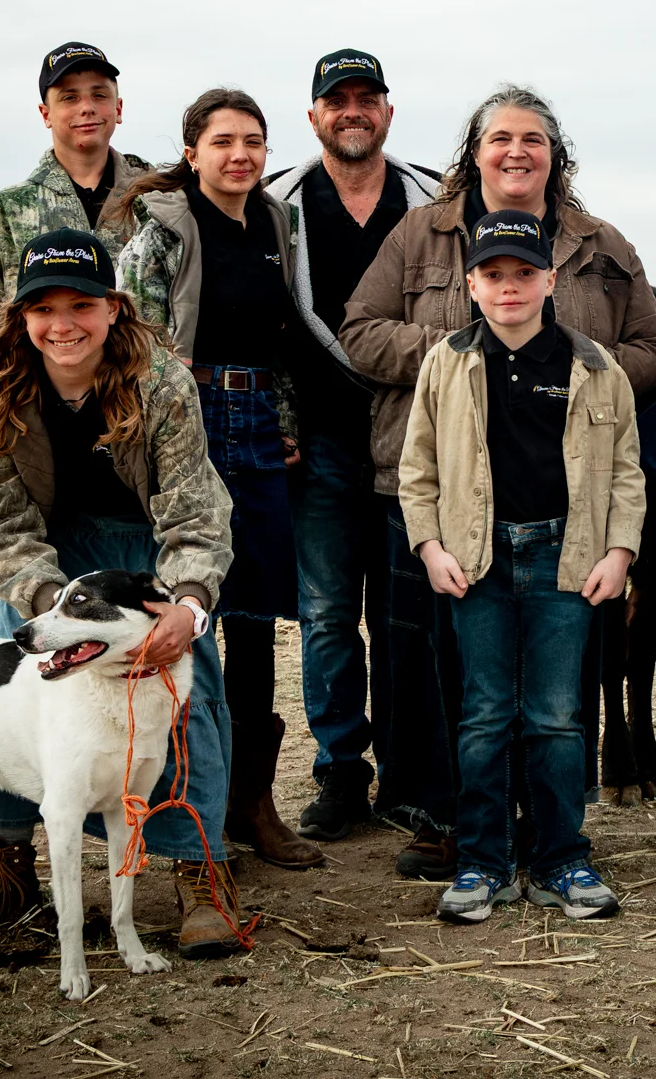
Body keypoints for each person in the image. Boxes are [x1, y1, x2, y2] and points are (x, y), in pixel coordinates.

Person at [342, 85, 656, 877]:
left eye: (534, 137)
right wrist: (469, 357)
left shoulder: (601, 242)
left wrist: (575, 373)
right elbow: (359, 329)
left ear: (555, 154)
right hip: (443, 493)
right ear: (475, 150)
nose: (517, 151)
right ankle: (446, 822)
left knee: (558, 692)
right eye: (500, 137)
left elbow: (654, 346)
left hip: (567, 506)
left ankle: (554, 835)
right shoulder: (424, 231)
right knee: (442, 672)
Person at [0, 228, 245, 956]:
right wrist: (47, 604)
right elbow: (0, 522)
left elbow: (196, 509)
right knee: (16, 677)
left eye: (82, 304)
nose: (63, 322)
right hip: (48, 563)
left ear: (113, 308)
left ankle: (198, 868)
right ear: (20, 317)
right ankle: (9, 864)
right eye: (43, 308)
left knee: (183, 689)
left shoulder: (160, 382)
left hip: (143, 557)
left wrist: (189, 605)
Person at [399, 210, 645, 923]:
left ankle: (561, 857)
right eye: (493, 274)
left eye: (523, 273)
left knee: (558, 716)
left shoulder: (596, 368)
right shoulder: (446, 361)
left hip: (566, 560)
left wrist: (619, 552)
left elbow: (627, 472)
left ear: (549, 279)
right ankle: (482, 861)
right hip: (475, 561)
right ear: (472, 284)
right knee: (482, 715)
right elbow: (417, 469)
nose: (509, 287)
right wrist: (431, 546)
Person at [113, 88, 319, 871]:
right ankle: (186, 805)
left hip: (259, 417)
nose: (241, 155)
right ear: (193, 151)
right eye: (224, 141)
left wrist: (287, 419)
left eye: (254, 142)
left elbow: (282, 333)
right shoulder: (162, 230)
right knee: (191, 610)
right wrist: (180, 435)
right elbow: (141, 344)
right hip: (189, 416)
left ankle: (252, 805)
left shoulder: (274, 223)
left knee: (259, 611)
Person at [260, 51, 443, 861]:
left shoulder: (435, 198)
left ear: (388, 114)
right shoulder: (278, 206)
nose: (353, 111)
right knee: (329, 613)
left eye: (368, 98)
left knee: (409, 615)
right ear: (315, 118)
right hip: (325, 444)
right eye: (338, 101)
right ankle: (341, 768)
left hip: (416, 438)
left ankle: (411, 775)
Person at [0, 42, 151, 354]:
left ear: (118, 108)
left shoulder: (159, 200)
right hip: (40, 397)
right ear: (46, 114)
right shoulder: (8, 210)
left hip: (143, 393)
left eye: (99, 95)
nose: (86, 107)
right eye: (69, 97)